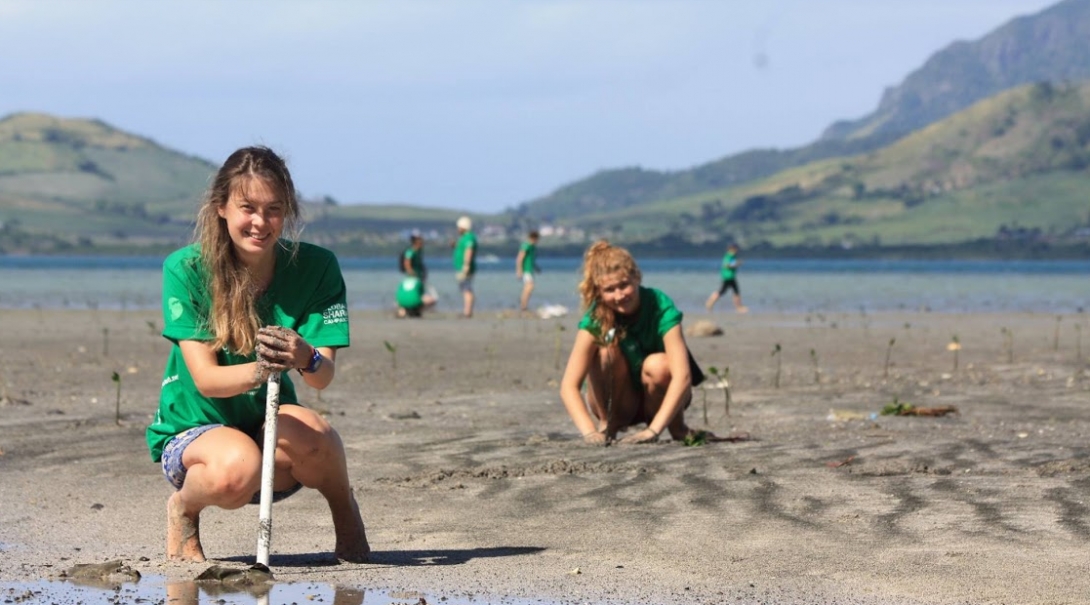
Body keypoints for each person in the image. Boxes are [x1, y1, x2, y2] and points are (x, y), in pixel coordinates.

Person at [145, 146, 369, 563]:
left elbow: (322, 377)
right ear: (221, 208)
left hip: (267, 423)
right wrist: (264, 366)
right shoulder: (186, 269)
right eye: (247, 207)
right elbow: (208, 381)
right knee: (237, 469)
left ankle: (347, 515)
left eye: (273, 210)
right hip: (195, 431)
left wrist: (305, 357)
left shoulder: (317, 267)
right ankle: (184, 509)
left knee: (315, 438)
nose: (260, 223)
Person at [559, 240, 705, 446]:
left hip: (657, 396)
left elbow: (683, 376)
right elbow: (568, 386)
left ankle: (676, 427)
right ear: (598, 291)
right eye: (609, 289)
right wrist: (589, 432)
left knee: (658, 364)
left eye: (624, 285)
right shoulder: (596, 317)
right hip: (619, 402)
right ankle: (607, 424)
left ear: (637, 277)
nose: (619, 296)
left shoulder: (659, 304)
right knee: (605, 352)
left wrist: (652, 431)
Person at [705, 243, 748, 313]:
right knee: (724, 291)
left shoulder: (732, 256)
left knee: (734, 291)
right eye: (735, 249)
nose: (737, 251)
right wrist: (737, 264)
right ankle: (710, 302)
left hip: (730, 276)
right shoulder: (729, 256)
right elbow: (727, 265)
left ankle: (738, 306)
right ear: (732, 249)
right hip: (728, 277)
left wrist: (736, 263)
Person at [452, 215, 477, 318]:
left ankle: (467, 311)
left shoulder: (469, 238)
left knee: (467, 289)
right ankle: (467, 310)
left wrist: (466, 265)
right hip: (461, 267)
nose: (457, 229)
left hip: (465, 268)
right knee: (464, 288)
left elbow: (469, 251)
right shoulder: (464, 238)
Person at [514, 230, 540, 314]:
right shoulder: (526, 246)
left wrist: (536, 268)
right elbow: (520, 258)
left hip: (530, 270)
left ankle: (524, 305)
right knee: (529, 287)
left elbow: (531, 259)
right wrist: (519, 270)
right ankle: (523, 305)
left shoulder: (533, 247)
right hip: (526, 270)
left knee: (528, 288)